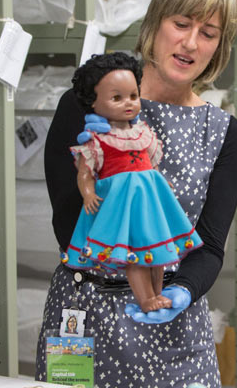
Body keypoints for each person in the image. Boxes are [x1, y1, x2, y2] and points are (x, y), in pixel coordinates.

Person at [37, 0, 237, 388]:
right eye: (181, 23)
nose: (190, 42)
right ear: (155, 23)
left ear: (219, 49)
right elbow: (67, 223)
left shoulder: (225, 134)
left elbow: (209, 245)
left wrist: (182, 292)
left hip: (174, 331)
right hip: (83, 317)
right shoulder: (84, 110)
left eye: (208, 33)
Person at [65, 52, 203, 313]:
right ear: (93, 102)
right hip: (121, 205)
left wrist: (162, 186)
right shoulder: (97, 141)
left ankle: (157, 292)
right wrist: (88, 193)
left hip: (149, 200)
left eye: (133, 95)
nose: (128, 103)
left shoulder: (142, 133)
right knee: (135, 255)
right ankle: (146, 298)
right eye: (116, 98)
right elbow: (85, 172)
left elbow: (150, 166)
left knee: (157, 252)